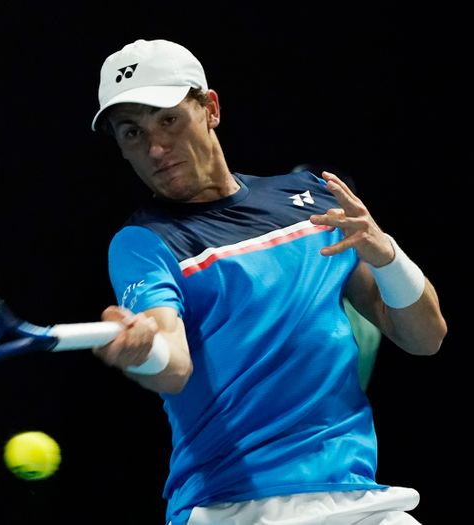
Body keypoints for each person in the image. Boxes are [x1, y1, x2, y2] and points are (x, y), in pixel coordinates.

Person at [90, 39, 447, 525]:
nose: (155, 148)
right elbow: (171, 365)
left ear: (210, 108)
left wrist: (387, 256)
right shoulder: (144, 243)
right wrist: (145, 351)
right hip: (232, 507)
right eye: (132, 133)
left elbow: (425, 337)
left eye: (168, 120)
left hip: (358, 499)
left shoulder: (312, 200)